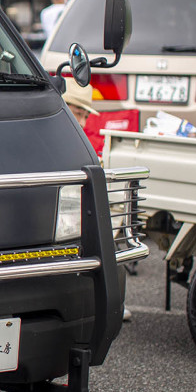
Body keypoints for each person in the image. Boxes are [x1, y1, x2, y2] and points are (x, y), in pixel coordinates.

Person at [63, 81, 132, 322]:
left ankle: (103, 293)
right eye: (78, 113)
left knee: (114, 203)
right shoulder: (58, 134)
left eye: (84, 115)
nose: (82, 122)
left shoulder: (72, 135)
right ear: (63, 107)